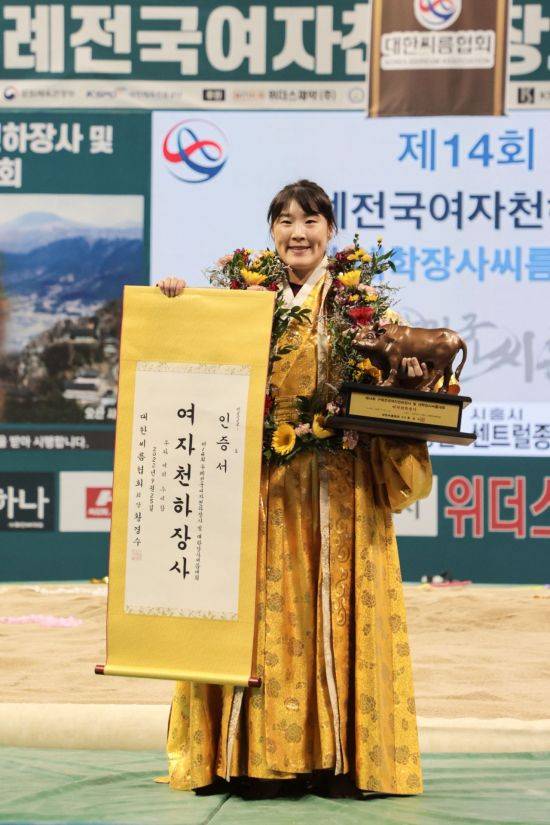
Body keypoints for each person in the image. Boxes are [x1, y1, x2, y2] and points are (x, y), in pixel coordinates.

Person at [156, 180, 432, 799]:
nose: (297, 232)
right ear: (272, 232)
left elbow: (392, 390)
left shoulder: (364, 309)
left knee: (334, 615)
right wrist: (174, 301)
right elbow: (195, 356)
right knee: (261, 616)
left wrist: (409, 384)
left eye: (310, 220)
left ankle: (339, 763)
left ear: (331, 230)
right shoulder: (244, 300)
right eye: (284, 220)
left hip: (342, 490)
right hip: (259, 487)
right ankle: (252, 760)